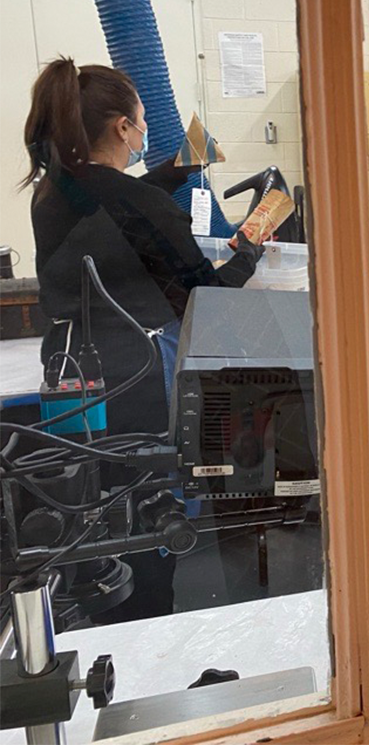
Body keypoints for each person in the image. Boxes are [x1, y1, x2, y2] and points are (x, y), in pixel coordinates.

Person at [21, 58, 265, 621]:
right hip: (136, 380)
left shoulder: (52, 189)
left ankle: (102, 622)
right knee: (148, 523)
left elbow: (110, 199)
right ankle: (144, 629)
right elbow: (206, 298)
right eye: (141, 121)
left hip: (70, 373)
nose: (144, 131)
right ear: (122, 130)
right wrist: (249, 251)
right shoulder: (137, 204)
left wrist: (181, 168)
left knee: (91, 511)